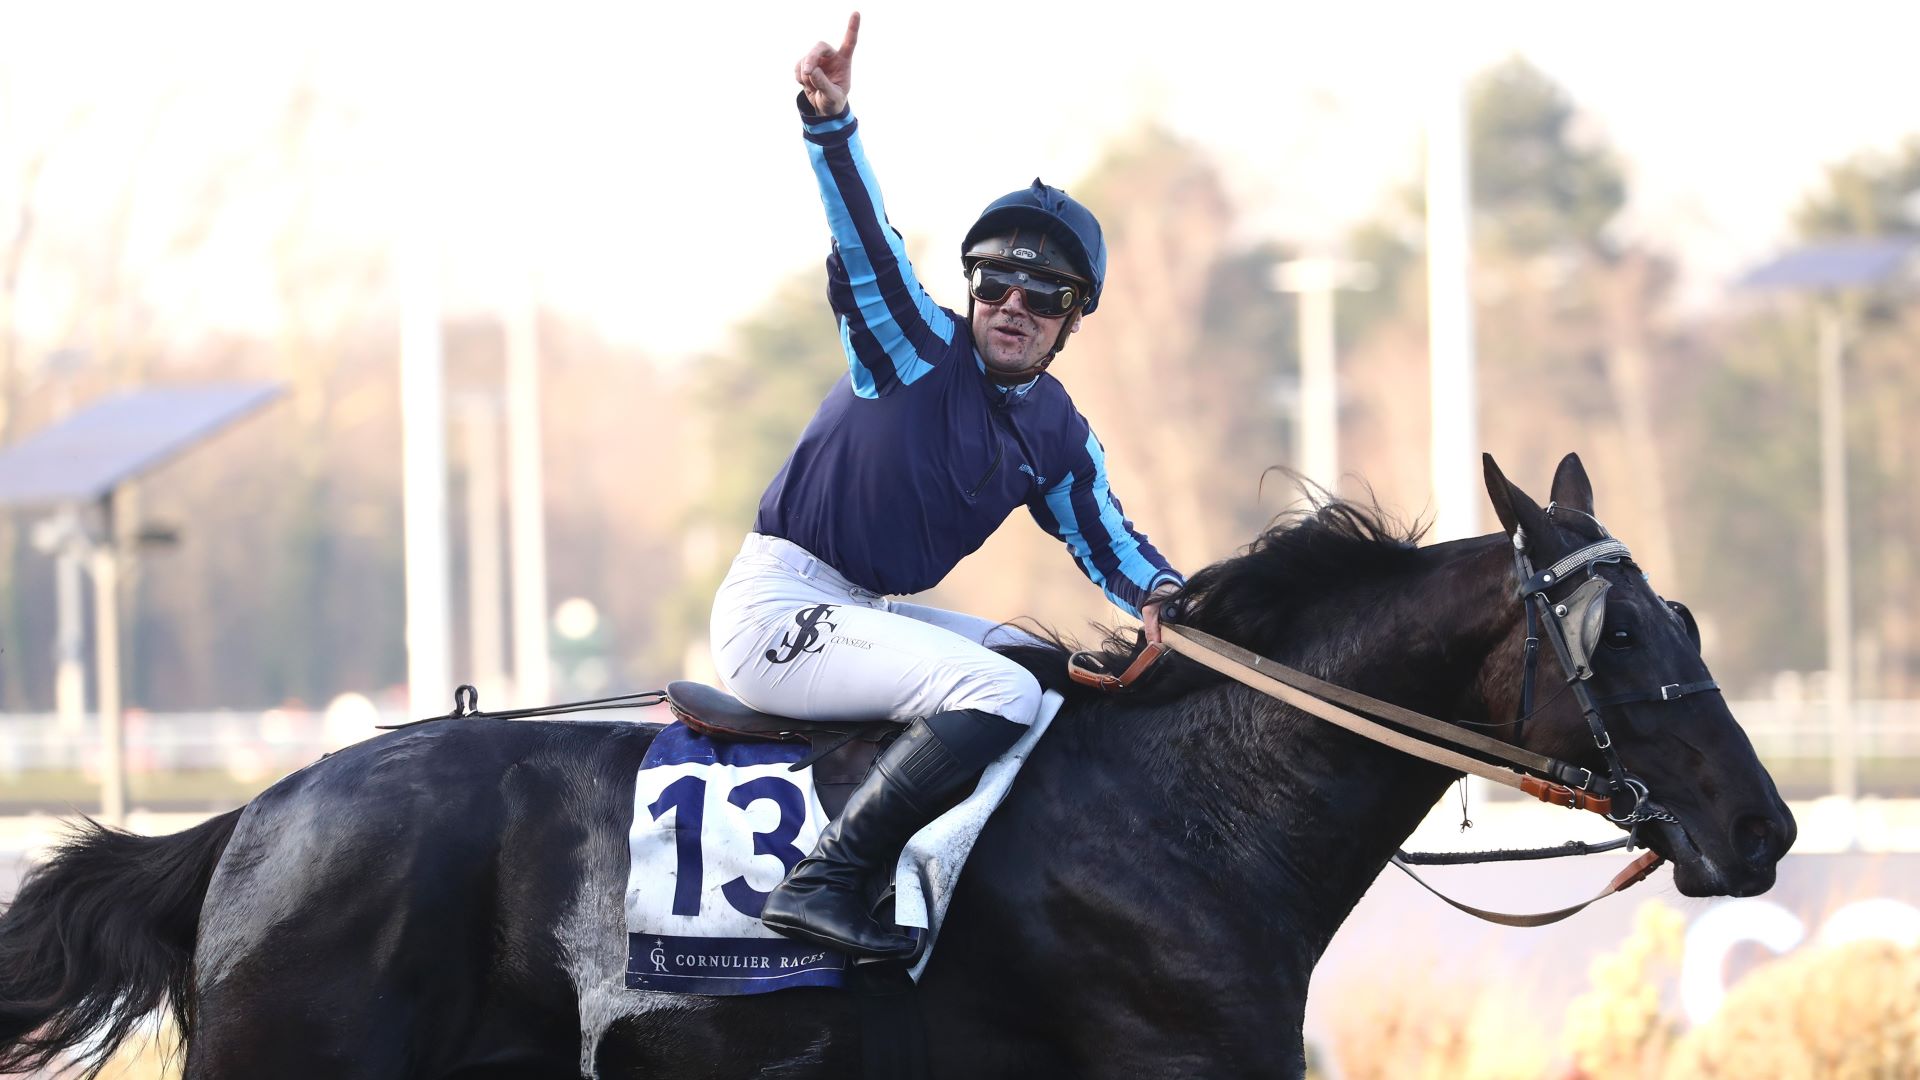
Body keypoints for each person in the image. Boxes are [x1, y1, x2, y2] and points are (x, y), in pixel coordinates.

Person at [709, 11, 1183, 961]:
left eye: (1043, 295)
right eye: (994, 283)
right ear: (969, 288)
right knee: (996, 690)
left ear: (1071, 319)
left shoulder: (1058, 432)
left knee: (1047, 673)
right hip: (777, 610)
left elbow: (1114, 546)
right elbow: (865, 237)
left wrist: (1178, 606)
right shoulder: (911, 345)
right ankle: (829, 883)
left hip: (861, 611)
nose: (1012, 307)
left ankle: (976, 886)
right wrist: (831, 122)